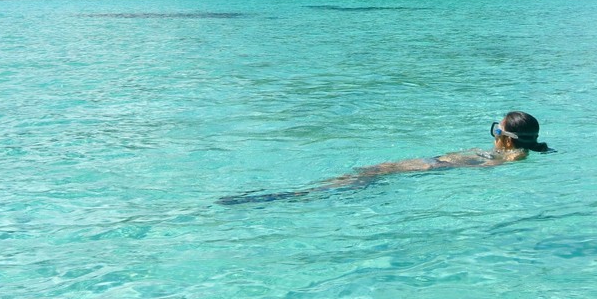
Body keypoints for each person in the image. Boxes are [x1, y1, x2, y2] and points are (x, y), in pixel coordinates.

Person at [217, 111, 549, 205]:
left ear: (504, 138)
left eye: (496, 130)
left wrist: (470, 163)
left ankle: (289, 196)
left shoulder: (510, 157)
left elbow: (489, 167)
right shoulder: (517, 153)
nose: (492, 134)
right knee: (366, 176)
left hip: (433, 167)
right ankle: (297, 195)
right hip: (435, 165)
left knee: (369, 173)